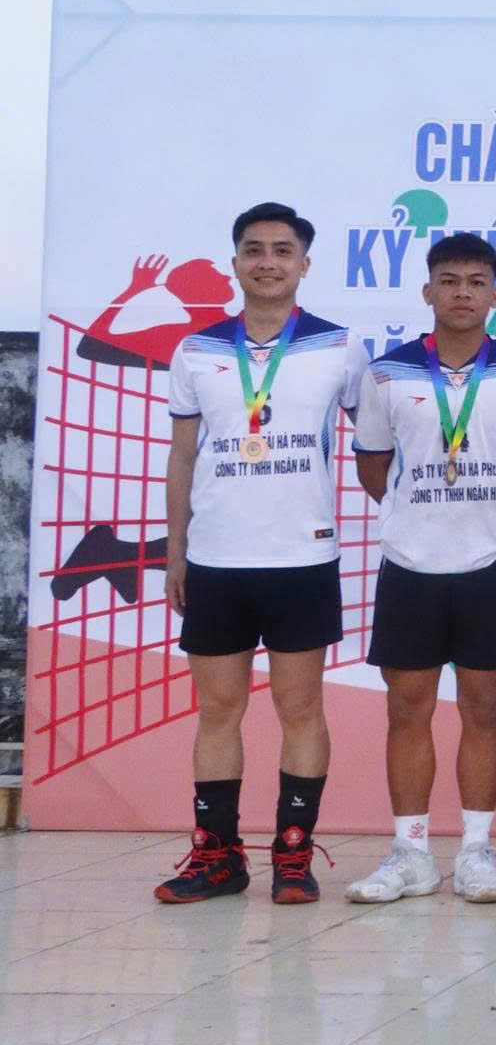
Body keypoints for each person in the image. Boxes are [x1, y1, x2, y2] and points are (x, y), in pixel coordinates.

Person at [155, 203, 366, 904]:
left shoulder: (340, 347)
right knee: (217, 710)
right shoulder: (197, 350)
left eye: (282, 250)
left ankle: (293, 855)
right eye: (254, 249)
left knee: (300, 708)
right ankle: (217, 857)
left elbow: (380, 440)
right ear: (235, 263)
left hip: (302, 557)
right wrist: (177, 552)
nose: (267, 261)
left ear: (304, 263)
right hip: (217, 559)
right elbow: (183, 457)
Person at [347, 232, 496, 904]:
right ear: (428, 290)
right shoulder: (387, 373)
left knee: (484, 706)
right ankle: (410, 853)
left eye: (476, 281)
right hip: (410, 562)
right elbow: (373, 466)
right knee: (408, 708)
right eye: (450, 280)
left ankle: (477, 852)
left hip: (487, 562)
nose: (463, 292)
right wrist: (416, 514)